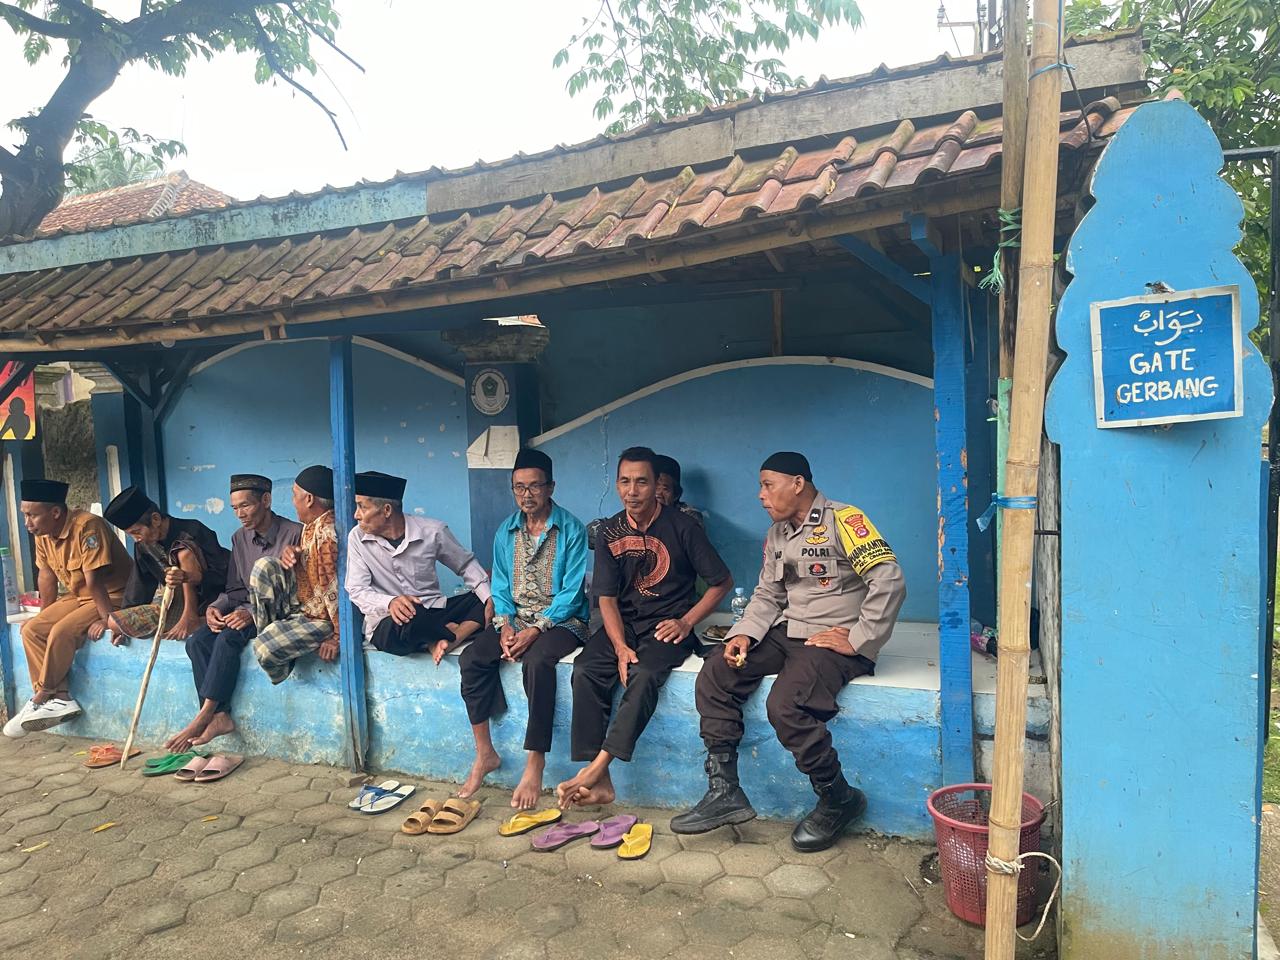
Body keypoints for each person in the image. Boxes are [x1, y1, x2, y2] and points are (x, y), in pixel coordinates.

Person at [671, 452, 906, 852]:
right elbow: (768, 593)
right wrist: (743, 634)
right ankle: (724, 791)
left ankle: (839, 798)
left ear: (797, 484)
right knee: (717, 671)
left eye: (768, 485)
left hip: (834, 640)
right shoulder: (778, 533)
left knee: (785, 704)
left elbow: (889, 581)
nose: (760, 495)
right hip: (788, 632)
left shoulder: (844, 520)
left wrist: (858, 638)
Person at [556, 446, 733, 809]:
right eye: (625, 482)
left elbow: (722, 582)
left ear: (656, 486)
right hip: (623, 624)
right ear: (616, 484)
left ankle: (596, 768)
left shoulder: (683, 527)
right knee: (586, 669)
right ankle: (603, 785)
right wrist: (619, 646)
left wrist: (686, 621)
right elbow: (606, 598)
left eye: (641, 482)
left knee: (646, 673)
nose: (632, 491)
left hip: (667, 626)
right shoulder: (610, 531)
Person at [456, 449, 589, 808]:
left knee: (538, 661)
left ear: (550, 487)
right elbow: (500, 585)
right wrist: (506, 626)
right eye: (519, 487)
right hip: (516, 620)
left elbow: (572, 592)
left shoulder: (571, 529)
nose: (526, 495)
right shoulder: (506, 531)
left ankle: (535, 762)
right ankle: (485, 754)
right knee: (472, 659)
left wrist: (536, 630)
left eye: (534, 486)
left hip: (564, 620)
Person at [164, 474, 302, 752]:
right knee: (197, 641)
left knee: (228, 638)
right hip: (246, 609)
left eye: (246, 506)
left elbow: (300, 590)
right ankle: (220, 716)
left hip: (280, 611)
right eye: (235, 508)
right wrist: (216, 607)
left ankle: (205, 714)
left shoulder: (295, 533)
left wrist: (251, 613)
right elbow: (235, 588)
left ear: (266, 500)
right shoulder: (239, 538)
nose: (240, 514)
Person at [3, 479, 132, 737]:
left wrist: (109, 620)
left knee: (62, 632)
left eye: (32, 515)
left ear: (55, 512)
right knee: (33, 630)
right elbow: (46, 576)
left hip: (114, 596)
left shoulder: (88, 526)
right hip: (80, 596)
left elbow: (95, 581)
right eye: (24, 515)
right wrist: (44, 616)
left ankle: (42, 696)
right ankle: (60, 698)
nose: (27, 523)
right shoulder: (43, 533)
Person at [345, 470, 492, 661]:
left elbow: (465, 565)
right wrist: (390, 602)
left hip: (432, 611)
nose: (356, 515)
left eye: (362, 507)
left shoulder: (432, 531)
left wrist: (489, 598)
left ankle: (451, 637)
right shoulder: (357, 538)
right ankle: (445, 635)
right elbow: (356, 589)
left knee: (486, 596)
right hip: (390, 623)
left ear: (387, 510)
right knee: (413, 618)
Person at [104, 486, 230, 643]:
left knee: (183, 551)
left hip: (210, 601)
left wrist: (190, 576)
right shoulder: (143, 545)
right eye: (131, 535)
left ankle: (193, 618)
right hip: (171, 606)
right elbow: (139, 585)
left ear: (155, 519)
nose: (136, 539)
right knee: (114, 622)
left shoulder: (193, 530)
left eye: (137, 532)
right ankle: (190, 621)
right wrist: (124, 628)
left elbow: (223, 574)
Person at [252, 466, 342, 683]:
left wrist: (339, 638)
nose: (293, 502)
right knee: (265, 567)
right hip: (307, 606)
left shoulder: (328, 534)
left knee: (264, 650)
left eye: (294, 495)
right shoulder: (312, 526)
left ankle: (283, 658)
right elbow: (312, 574)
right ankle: (274, 634)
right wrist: (295, 556)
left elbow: (336, 592)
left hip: (326, 620)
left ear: (309, 499)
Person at [654, 454, 705, 527]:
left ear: (676, 495)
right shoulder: (639, 513)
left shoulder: (690, 516)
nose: (657, 494)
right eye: (653, 488)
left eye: (664, 489)